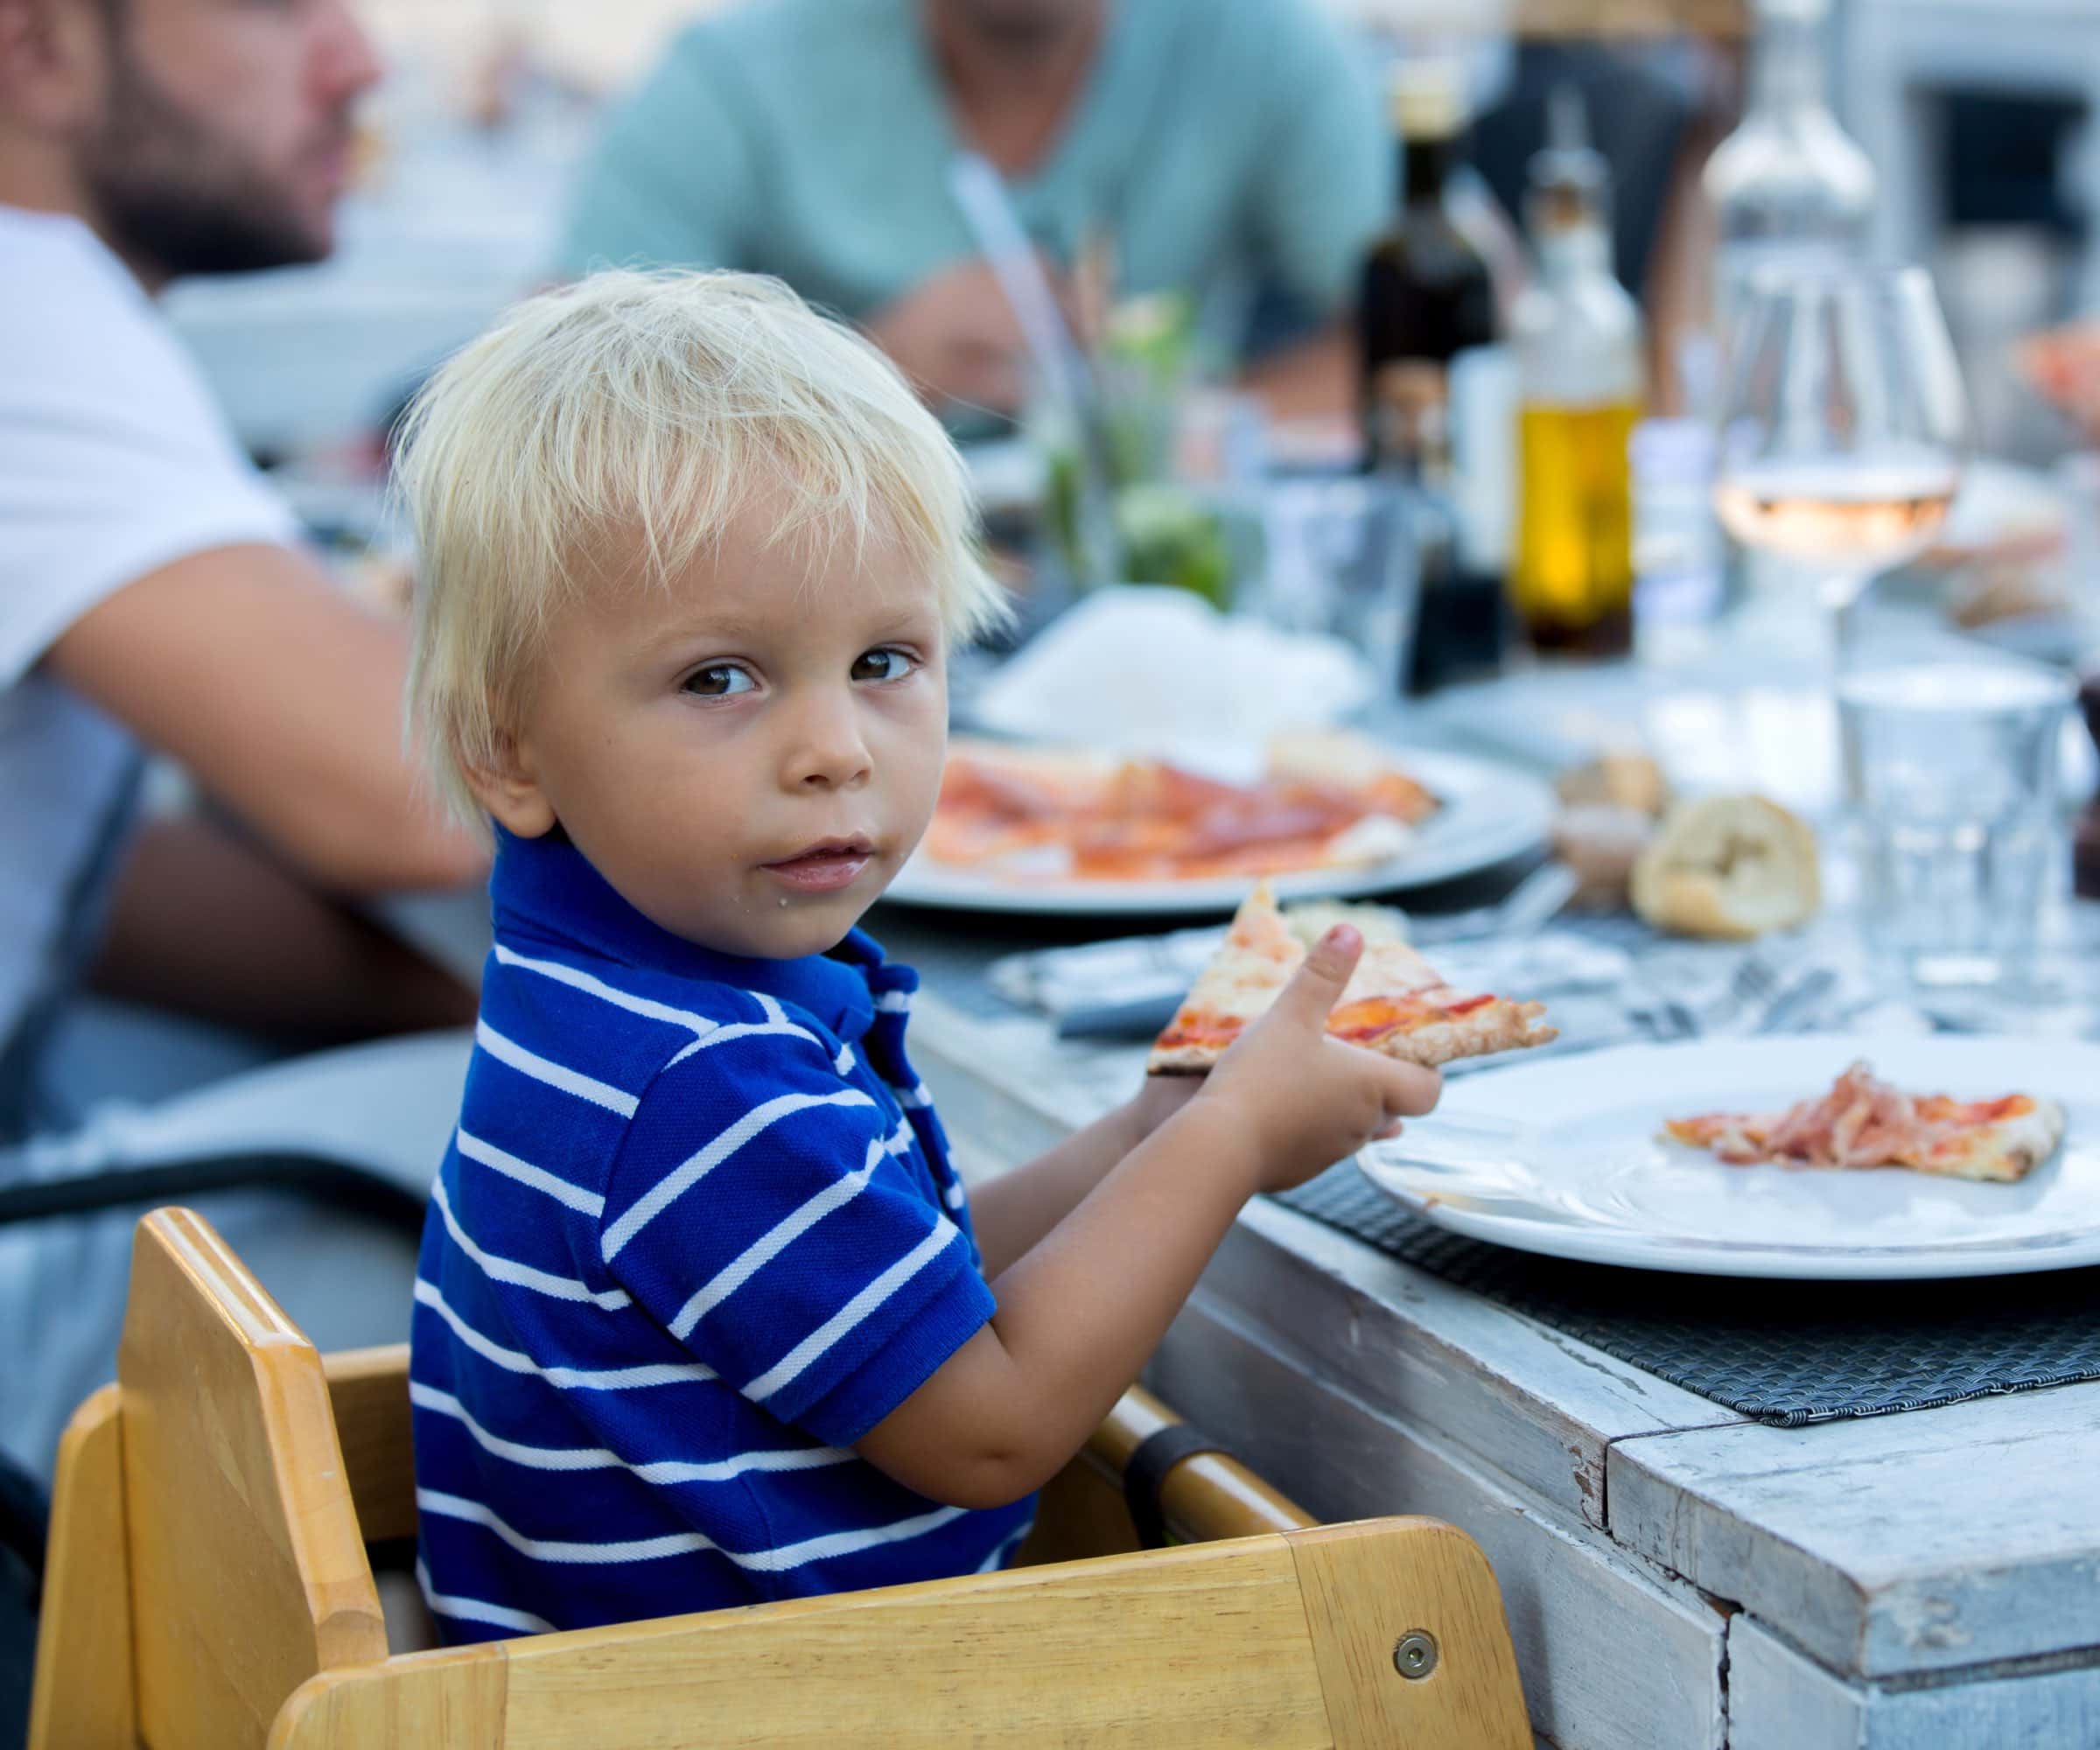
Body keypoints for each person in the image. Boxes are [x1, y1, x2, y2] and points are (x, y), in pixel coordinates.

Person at [397, 270, 1440, 1637]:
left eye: (887, 660)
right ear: (508, 750)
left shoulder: (627, 1004)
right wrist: (1231, 1142)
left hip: (632, 1689)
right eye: (722, 678)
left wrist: (1148, 1128)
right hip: (772, 1715)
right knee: (1393, 1617)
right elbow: (996, 1427)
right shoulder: (702, 1089)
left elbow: (906, 1276)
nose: (836, 749)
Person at [0, 0, 486, 1496]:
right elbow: (419, 788)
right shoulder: (27, 297)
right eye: (279, 9)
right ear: (37, 51)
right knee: (697, 1157)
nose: (360, 61)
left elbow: (91, 889)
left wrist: (437, 998)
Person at [556, 0, 1389, 425]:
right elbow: (554, 378)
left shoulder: (1260, 42)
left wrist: (1173, 437)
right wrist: (863, 380)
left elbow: (1433, 326)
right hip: (815, 603)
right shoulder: (738, 71)